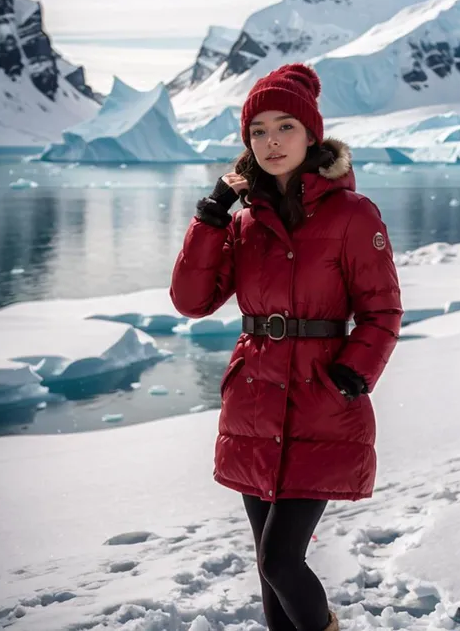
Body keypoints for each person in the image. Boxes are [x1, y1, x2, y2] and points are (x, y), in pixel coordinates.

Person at [170, 63, 403, 631]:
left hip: (320, 399)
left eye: (285, 127)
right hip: (254, 399)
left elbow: (382, 309)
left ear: (311, 135)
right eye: (259, 131)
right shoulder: (244, 219)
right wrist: (209, 217)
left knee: (281, 558)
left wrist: (353, 372)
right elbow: (192, 301)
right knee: (267, 563)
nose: (271, 142)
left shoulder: (353, 214)